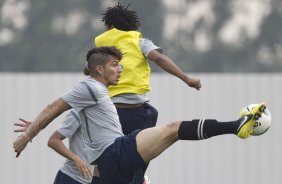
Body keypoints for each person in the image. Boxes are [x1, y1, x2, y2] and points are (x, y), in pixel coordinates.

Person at [13, 46, 266, 184]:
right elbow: (54, 108)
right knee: (173, 129)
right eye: (114, 65)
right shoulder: (89, 87)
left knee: (168, 131)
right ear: (99, 69)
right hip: (114, 153)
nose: (120, 69)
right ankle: (237, 126)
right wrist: (28, 135)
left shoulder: (99, 91)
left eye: (120, 64)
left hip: (109, 168)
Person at [89, 4, 201, 182]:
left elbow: (89, 69)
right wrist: (186, 78)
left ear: (109, 26)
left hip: (109, 112)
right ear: (131, 26)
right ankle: (139, 177)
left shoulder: (102, 46)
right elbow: (159, 58)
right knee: (142, 147)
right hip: (137, 111)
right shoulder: (139, 41)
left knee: (103, 158)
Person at [14, 111, 94, 184]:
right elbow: (53, 141)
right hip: (71, 178)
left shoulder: (100, 115)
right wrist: (76, 159)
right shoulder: (79, 112)